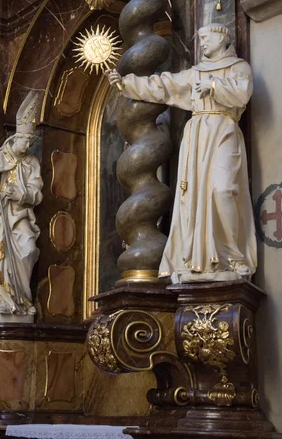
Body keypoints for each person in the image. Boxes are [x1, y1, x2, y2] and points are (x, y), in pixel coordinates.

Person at [107, 25, 257, 283]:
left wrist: (213, 86)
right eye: (199, 39)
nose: (202, 43)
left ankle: (235, 256)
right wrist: (126, 84)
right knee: (197, 197)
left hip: (223, 130)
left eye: (206, 38)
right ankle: (200, 260)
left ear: (222, 37)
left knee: (222, 190)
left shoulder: (238, 67)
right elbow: (164, 86)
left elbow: (243, 92)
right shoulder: (195, 73)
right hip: (197, 135)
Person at [0, 92, 43, 322]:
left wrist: (21, 193)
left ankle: (23, 300)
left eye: (31, 141)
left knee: (28, 250)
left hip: (22, 216)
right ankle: (4, 303)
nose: (28, 145)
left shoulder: (32, 162)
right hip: (2, 214)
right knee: (1, 254)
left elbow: (37, 193)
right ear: (16, 138)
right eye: (25, 140)